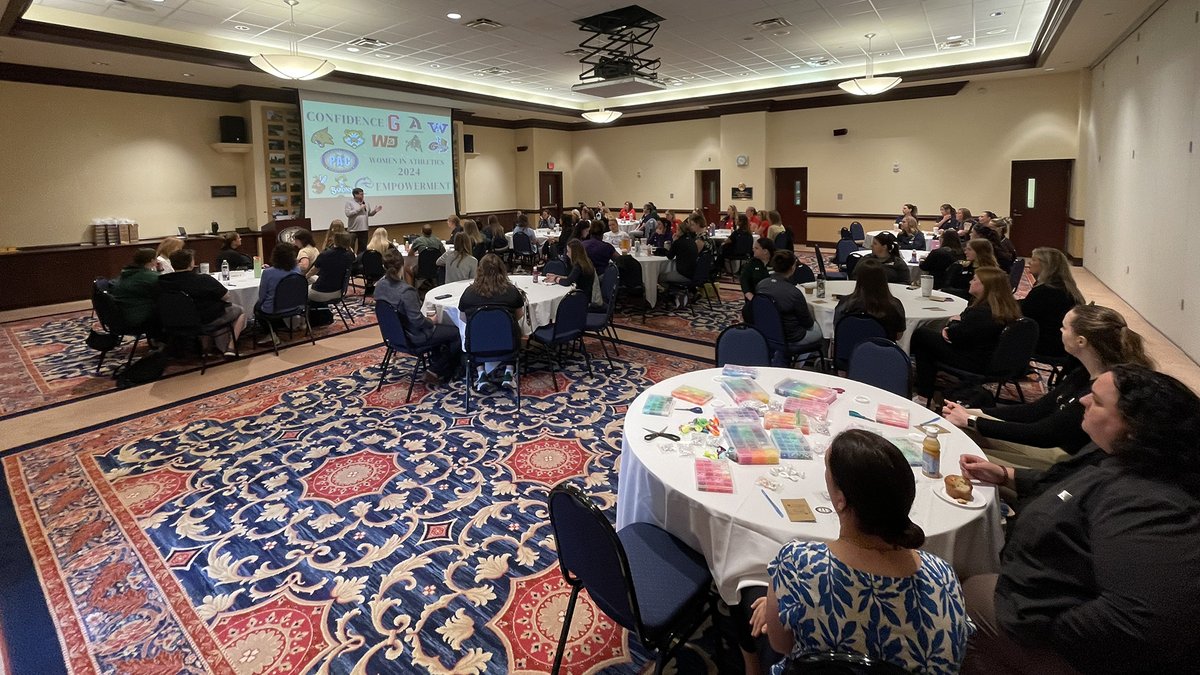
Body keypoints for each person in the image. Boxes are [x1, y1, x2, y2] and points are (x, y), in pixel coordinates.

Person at [962, 365, 1200, 675]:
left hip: (1048, 634)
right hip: (1033, 587)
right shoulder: (1115, 454)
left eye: (1098, 401)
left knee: (962, 590)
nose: (1084, 401)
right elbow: (1067, 485)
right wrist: (1009, 474)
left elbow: (1144, 619)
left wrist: (1042, 626)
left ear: (1134, 428)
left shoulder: (1147, 500)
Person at [748, 429, 972, 675]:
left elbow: (782, 646)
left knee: (749, 601)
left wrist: (775, 606)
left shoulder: (798, 564)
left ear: (841, 500)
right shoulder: (944, 578)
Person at [942, 303, 1154, 468]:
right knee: (958, 429)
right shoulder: (1082, 373)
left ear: (1081, 341)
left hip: (1063, 460)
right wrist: (975, 413)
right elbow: (1037, 410)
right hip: (1050, 444)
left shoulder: (1102, 391)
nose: (1059, 331)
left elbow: (1044, 434)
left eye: (1064, 327)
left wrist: (972, 421)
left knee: (957, 451)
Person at [911, 267, 1022, 404]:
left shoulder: (982, 312)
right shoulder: (1004, 308)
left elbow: (955, 335)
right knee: (928, 344)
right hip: (993, 360)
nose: (970, 281)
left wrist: (951, 325)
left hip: (974, 361)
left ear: (985, 286)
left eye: (975, 279)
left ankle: (923, 394)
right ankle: (925, 391)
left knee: (922, 336)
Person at [374, 249, 461, 384]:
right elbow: (418, 321)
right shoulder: (406, 291)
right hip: (414, 337)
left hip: (393, 335)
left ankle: (439, 362)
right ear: (402, 266)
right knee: (456, 332)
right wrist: (431, 321)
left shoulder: (379, 286)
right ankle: (436, 369)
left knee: (442, 331)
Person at [157, 248, 246, 356]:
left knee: (205, 309)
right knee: (240, 310)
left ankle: (206, 348)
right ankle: (231, 347)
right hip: (202, 320)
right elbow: (226, 296)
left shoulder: (162, 281)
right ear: (191, 263)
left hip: (172, 320)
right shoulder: (203, 279)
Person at [458, 254, 525, 391]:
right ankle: (509, 372)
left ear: (479, 271)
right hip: (508, 345)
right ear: (502, 270)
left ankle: (481, 374)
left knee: (475, 331)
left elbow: (464, 319)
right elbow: (519, 315)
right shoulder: (511, 291)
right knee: (513, 328)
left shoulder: (469, 293)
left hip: (478, 346)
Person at [755, 249, 823, 353]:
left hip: (767, 332)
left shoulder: (761, 285)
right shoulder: (794, 293)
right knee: (821, 328)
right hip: (792, 337)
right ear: (792, 268)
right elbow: (808, 323)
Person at [1021, 247, 1084, 357]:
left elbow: (1023, 317)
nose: (1029, 262)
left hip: (1048, 346)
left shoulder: (1044, 291)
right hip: (1062, 342)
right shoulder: (1067, 288)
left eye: (1034, 260)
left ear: (1046, 265)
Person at [834, 257, 906, 340]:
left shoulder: (845, 304)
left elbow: (837, 328)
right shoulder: (894, 305)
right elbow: (898, 336)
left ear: (859, 279)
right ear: (883, 279)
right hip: (882, 351)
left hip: (849, 350)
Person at [254, 242, 301, 342]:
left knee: (257, 308)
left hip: (274, 308)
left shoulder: (267, 273)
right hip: (294, 305)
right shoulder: (297, 270)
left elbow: (262, 296)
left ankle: (270, 333)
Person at [110, 248, 159, 330]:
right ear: (152, 260)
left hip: (121, 313)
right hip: (136, 316)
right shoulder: (149, 276)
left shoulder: (127, 272)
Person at [660, 215, 702, 306]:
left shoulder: (679, 243)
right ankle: (679, 293)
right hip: (694, 272)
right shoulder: (692, 241)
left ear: (680, 231)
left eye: (677, 229)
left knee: (660, 277)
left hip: (683, 274)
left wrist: (674, 241)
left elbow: (670, 256)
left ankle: (673, 295)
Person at [547, 240, 600, 309]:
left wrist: (555, 279)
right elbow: (571, 277)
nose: (567, 254)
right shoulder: (585, 262)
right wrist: (557, 276)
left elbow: (568, 282)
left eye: (568, 251)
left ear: (574, 253)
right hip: (586, 294)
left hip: (582, 299)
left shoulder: (578, 266)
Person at [309, 232, 355, 302]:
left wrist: (303, 277)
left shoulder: (325, 254)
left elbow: (313, 271)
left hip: (320, 292)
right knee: (313, 278)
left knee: (304, 286)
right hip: (339, 291)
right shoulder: (351, 255)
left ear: (335, 240)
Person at [344, 187, 381, 254]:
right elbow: (348, 214)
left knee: (363, 248)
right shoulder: (349, 203)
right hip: (353, 230)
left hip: (364, 229)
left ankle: (360, 261)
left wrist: (375, 211)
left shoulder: (366, 203)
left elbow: (368, 214)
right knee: (350, 248)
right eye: (361, 194)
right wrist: (359, 208)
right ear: (355, 195)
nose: (363, 196)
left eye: (363, 194)